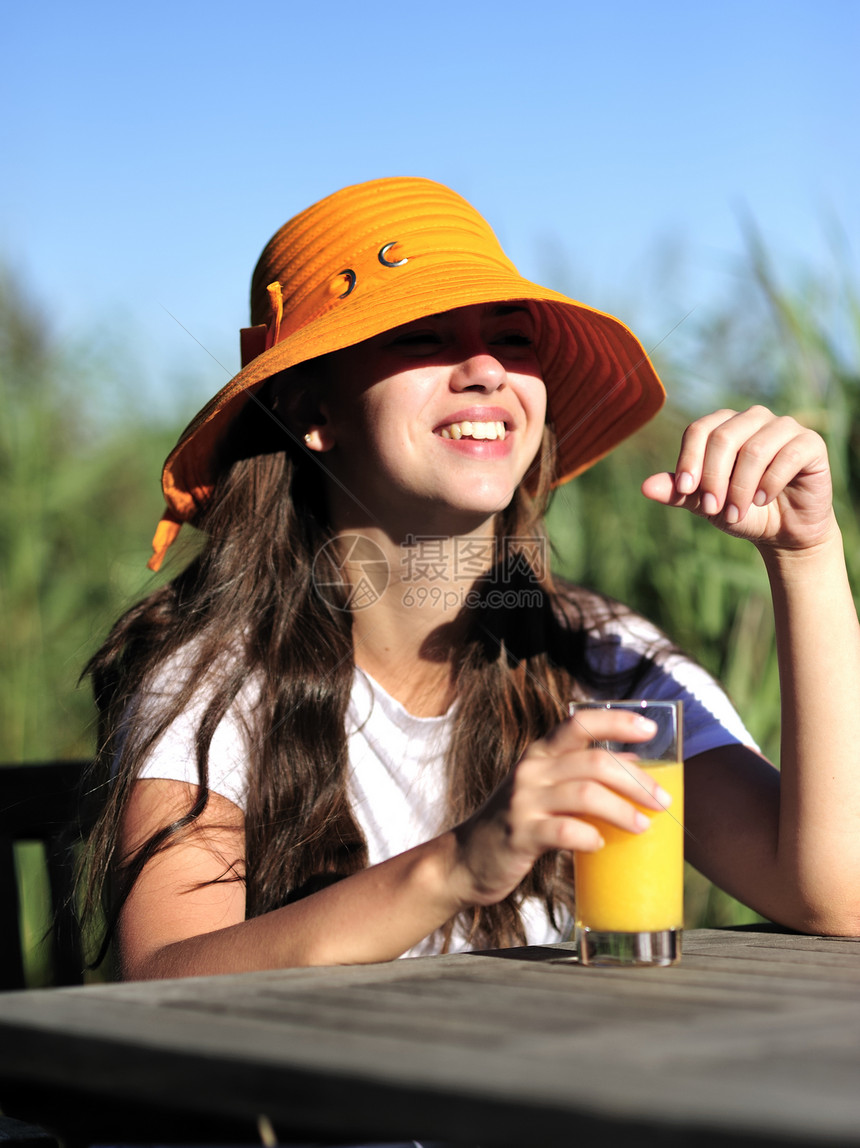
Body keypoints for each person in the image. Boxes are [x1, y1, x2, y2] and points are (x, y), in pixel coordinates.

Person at [83, 176, 860, 984]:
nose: (486, 369)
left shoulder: (600, 658)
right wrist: (460, 863)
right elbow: (163, 976)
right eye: (422, 336)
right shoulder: (217, 675)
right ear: (313, 409)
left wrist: (805, 559)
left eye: (513, 339)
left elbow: (839, 902)